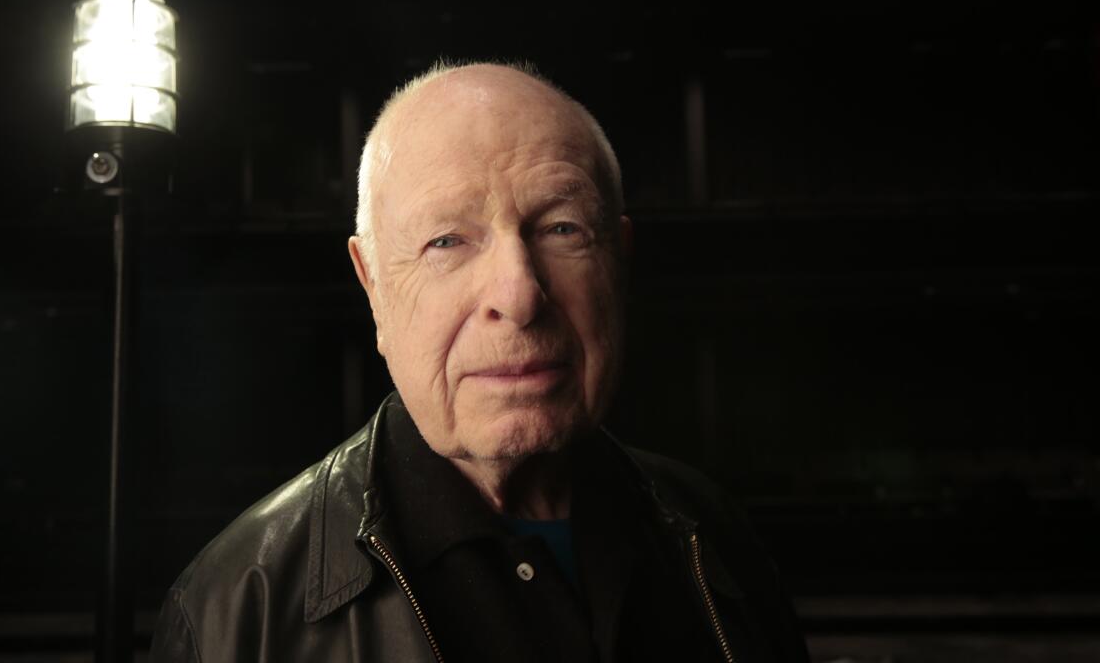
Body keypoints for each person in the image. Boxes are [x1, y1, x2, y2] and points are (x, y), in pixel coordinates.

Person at [150, 62, 810, 662]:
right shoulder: (235, 609)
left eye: (562, 229)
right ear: (373, 286)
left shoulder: (716, 538)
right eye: (447, 241)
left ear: (619, 262)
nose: (518, 295)